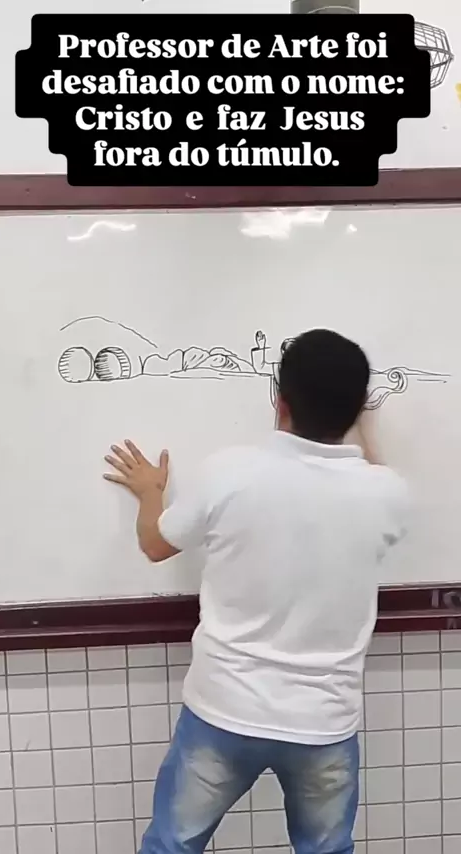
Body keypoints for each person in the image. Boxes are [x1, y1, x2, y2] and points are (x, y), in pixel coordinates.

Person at [103, 328, 409, 854]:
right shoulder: (387, 493)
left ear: (280, 401)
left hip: (224, 708)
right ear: (358, 408)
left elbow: (155, 544)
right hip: (323, 722)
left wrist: (152, 493)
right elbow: (378, 481)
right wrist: (364, 430)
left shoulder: (229, 472)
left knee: (171, 846)